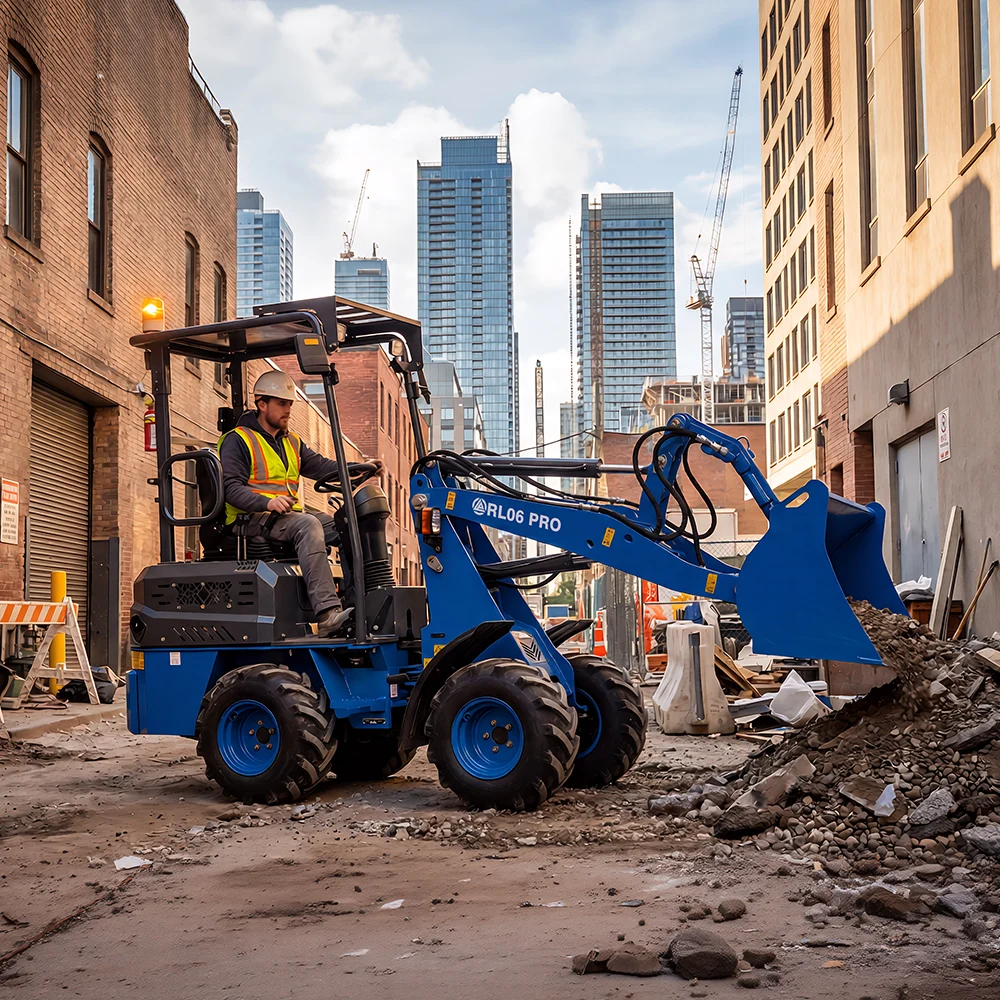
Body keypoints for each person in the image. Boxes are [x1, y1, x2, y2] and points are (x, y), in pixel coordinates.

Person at [218, 370, 368, 637]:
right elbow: (231, 489)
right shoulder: (238, 440)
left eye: (289, 404)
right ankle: (327, 614)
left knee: (348, 523)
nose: (288, 410)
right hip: (249, 520)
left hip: (284, 518)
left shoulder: (291, 441)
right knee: (308, 525)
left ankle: (360, 603)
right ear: (262, 404)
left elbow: (322, 467)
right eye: (281, 403)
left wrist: (359, 467)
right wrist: (267, 502)